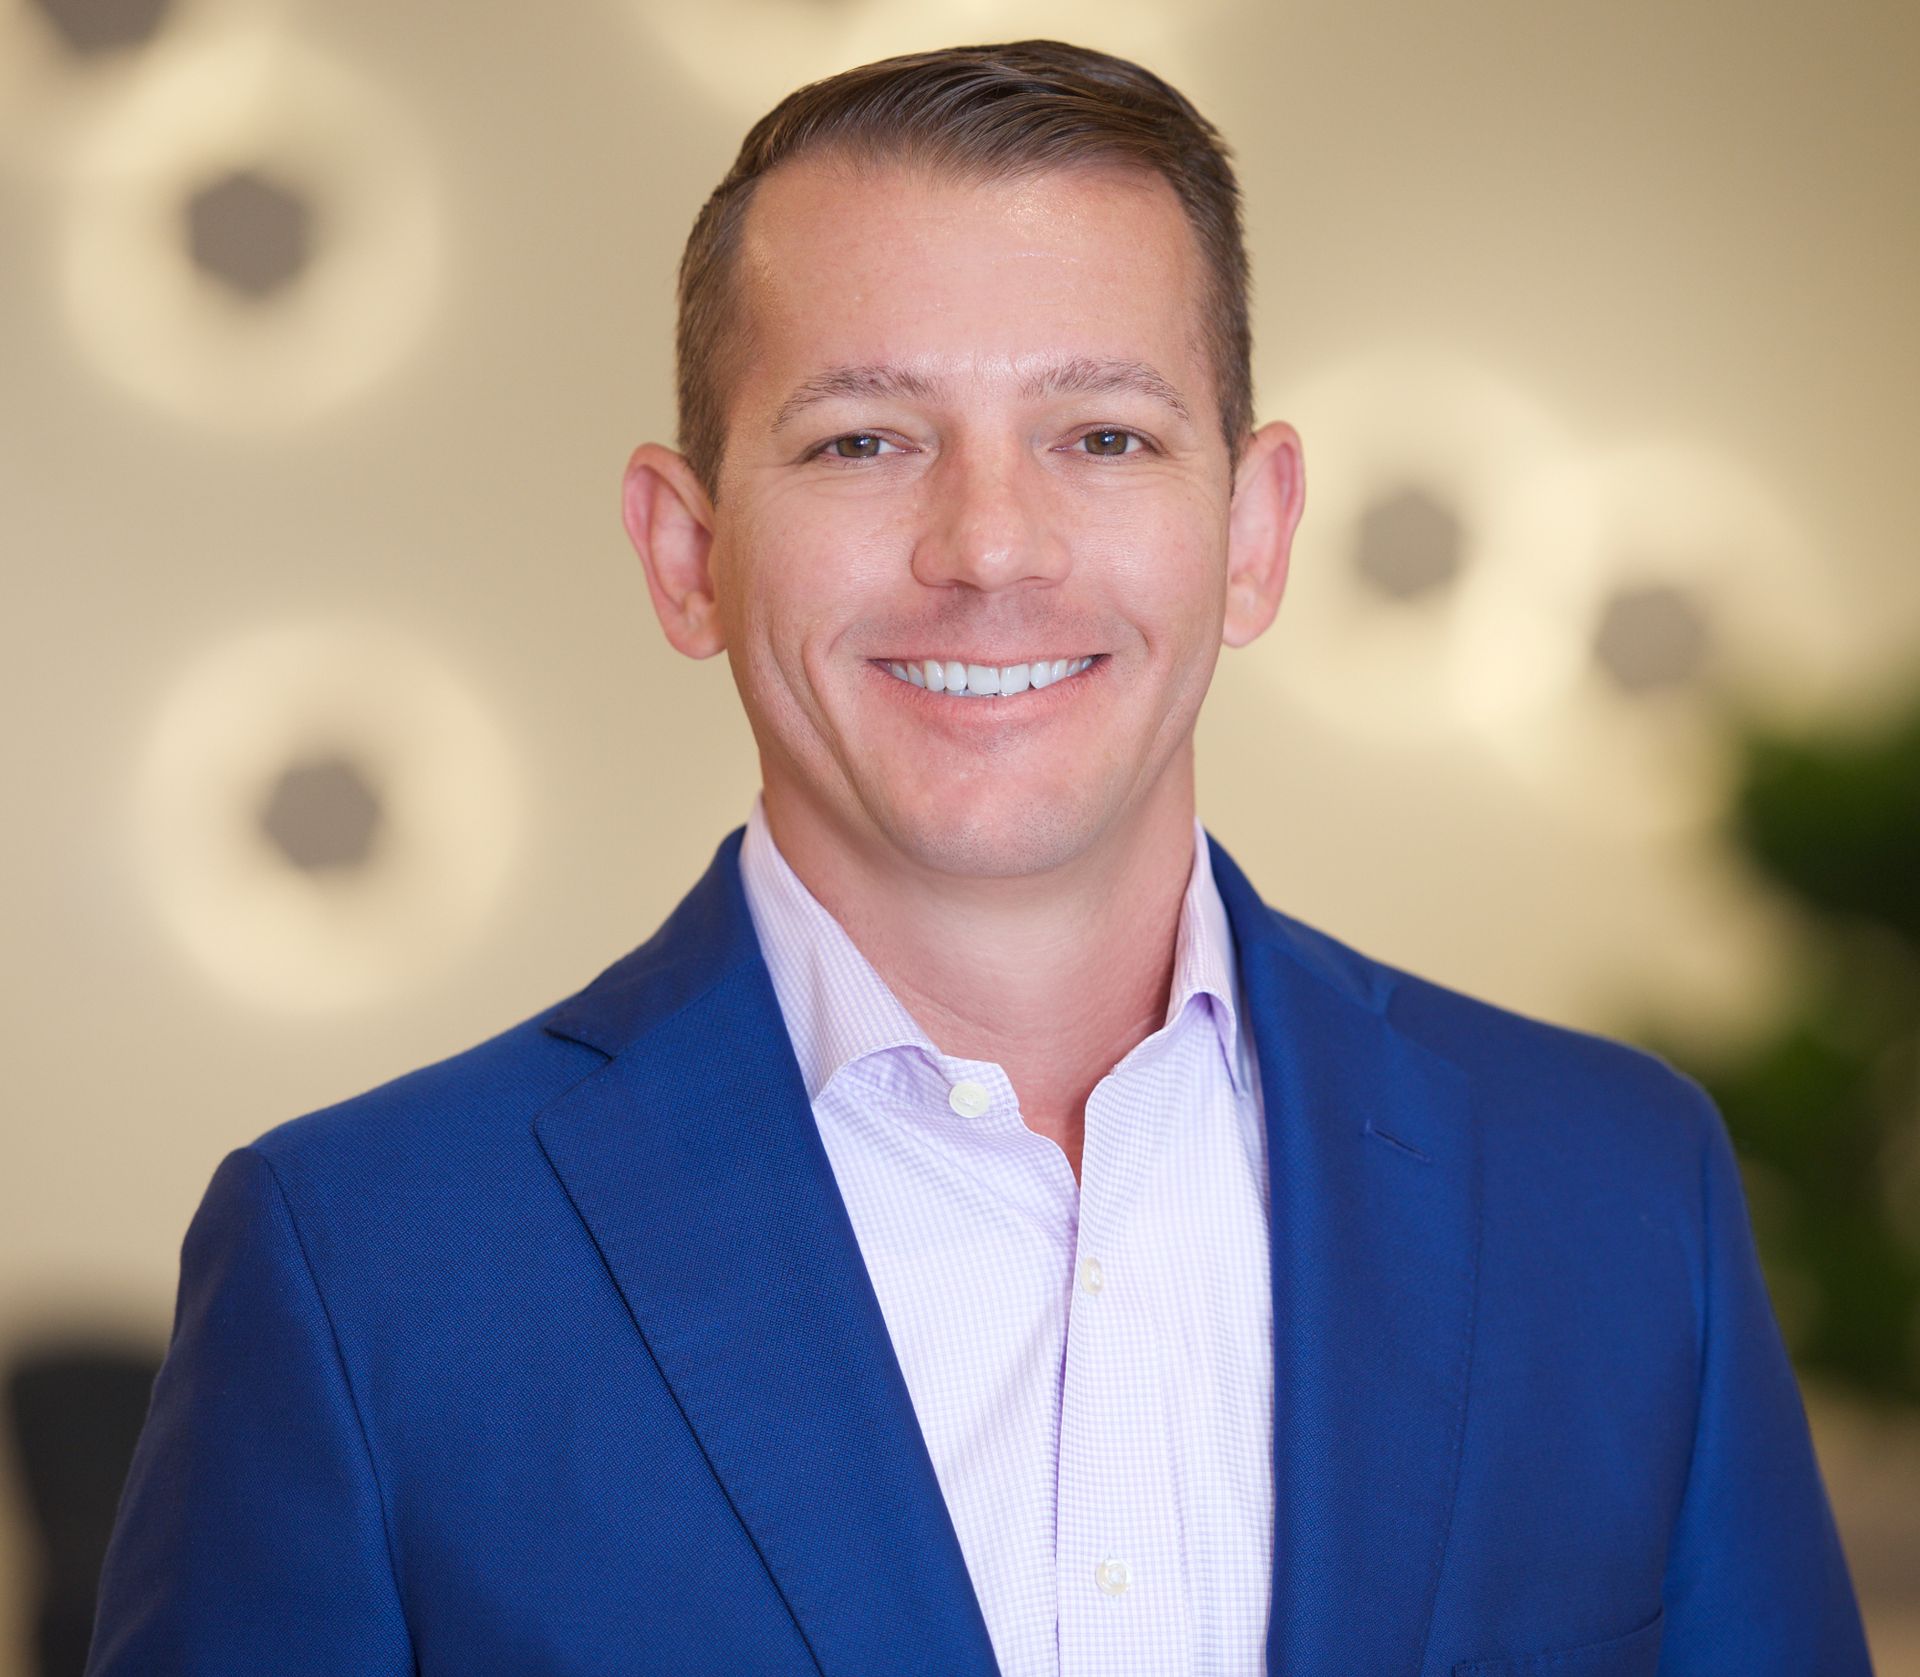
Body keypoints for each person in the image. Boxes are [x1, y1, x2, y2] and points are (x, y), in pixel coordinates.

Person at [87, 39, 1871, 1677]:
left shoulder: (1620, 1194)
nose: (992, 544)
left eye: (1104, 435)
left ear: (1253, 535)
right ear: (686, 550)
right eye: (865, 440)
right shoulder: (361, 1267)